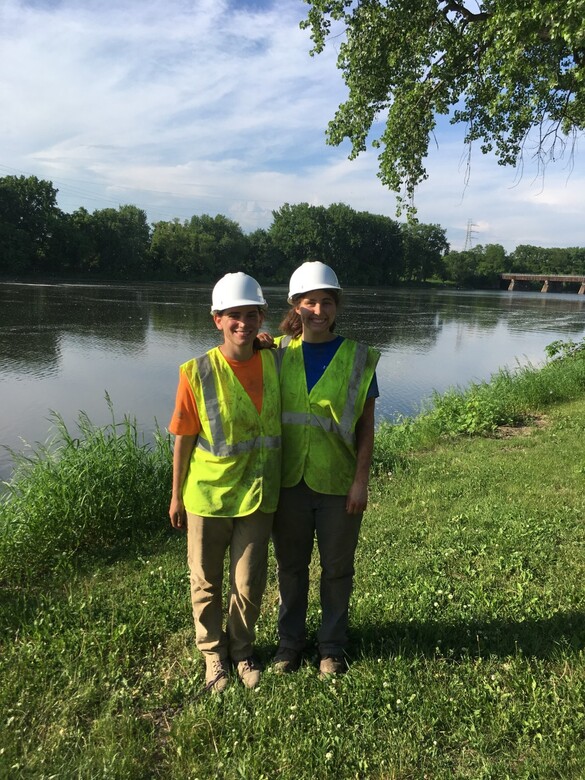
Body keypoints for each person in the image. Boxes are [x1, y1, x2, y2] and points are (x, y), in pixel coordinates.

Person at [168, 272, 281, 692]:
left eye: (251, 315)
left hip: (257, 494)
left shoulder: (275, 359)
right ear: (217, 319)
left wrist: (271, 340)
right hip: (207, 497)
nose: (243, 323)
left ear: (261, 316)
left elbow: (301, 338)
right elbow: (184, 438)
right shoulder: (195, 372)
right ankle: (213, 655)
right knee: (206, 581)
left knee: (249, 583)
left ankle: (243, 650)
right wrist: (176, 495)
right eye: (234, 315)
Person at [271, 261, 380, 677]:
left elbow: (367, 428)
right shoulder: (276, 354)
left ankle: (331, 648)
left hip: (338, 484)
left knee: (337, 570)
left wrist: (360, 482)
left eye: (327, 302)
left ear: (337, 306)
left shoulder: (358, 358)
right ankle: (288, 646)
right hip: (289, 483)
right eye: (310, 302)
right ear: (295, 306)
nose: (319, 310)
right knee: (291, 569)